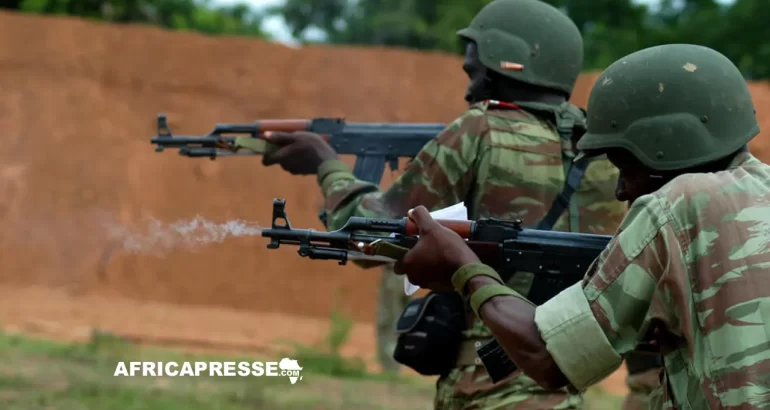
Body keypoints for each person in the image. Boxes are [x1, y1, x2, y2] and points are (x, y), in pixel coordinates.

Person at [261, 0, 628, 408]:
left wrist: (325, 164)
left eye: (475, 67)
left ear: (505, 63)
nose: (468, 79)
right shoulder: (605, 153)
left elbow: (367, 231)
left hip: (488, 387)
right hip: (563, 383)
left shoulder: (482, 127)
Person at [393, 43, 770, 409]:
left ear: (666, 143)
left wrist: (464, 267)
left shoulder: (673, 206)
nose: (622, 191)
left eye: (625, 166)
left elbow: (547, 356)